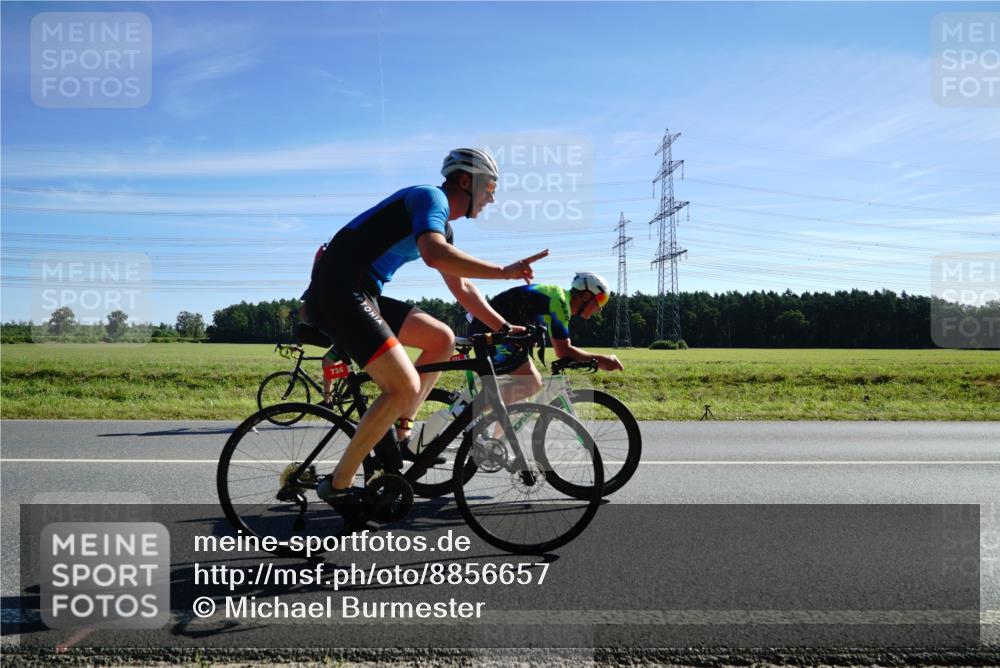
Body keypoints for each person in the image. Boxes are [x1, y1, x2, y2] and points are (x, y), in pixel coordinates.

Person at [304, 148, 548, 524]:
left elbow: (463, 288)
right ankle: (338, 483)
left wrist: (503, 328)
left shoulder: (442, 226)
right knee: (401, 386)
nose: (492, 197)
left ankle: (402, 431)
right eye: (490, 187)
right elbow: (434, 255)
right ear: (467, 181)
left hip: (362, 291)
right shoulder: (428, 197)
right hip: (338, 289)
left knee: (442, 339)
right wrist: (505, 271)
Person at [469, 272, 625, 404]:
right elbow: (563, 351)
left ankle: (497, 439)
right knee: (531, 384)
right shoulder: (561, 304)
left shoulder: (559, 297)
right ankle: (469, 410)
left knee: (519, 399)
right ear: (585, 296)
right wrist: (604, 361)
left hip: (496, 330)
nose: (600, 309)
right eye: (600, 300)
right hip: (491, 331)